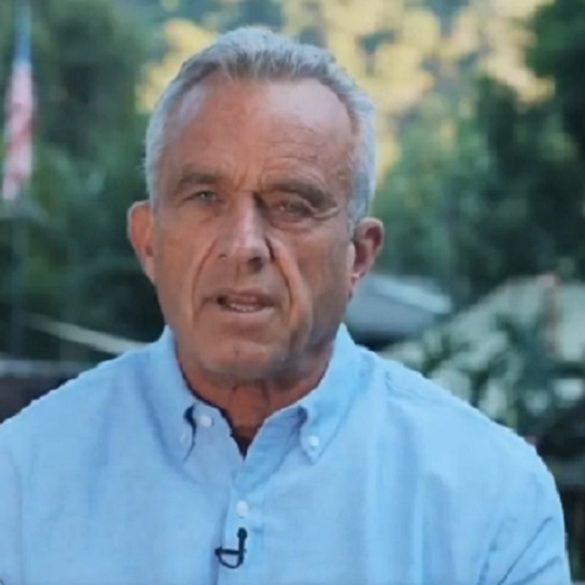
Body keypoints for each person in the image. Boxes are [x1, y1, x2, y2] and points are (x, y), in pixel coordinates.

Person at [0, 27, 571, 585]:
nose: (244, 245)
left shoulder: (490, 500)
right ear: (149, 242)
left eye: (291, 205)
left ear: (359, 256)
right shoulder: (22, 479)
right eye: (206, 197)